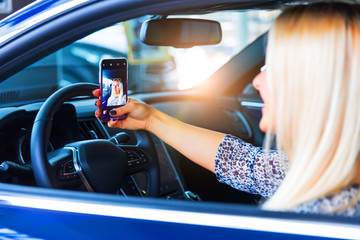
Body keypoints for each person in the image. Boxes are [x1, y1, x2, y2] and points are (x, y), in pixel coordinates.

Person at [94, 2, 360, 216]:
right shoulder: (326, 172)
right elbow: (242, 162)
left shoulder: (326, 209)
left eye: (273, 66)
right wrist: (151, 119)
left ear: (318, 84)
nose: (257, 80)